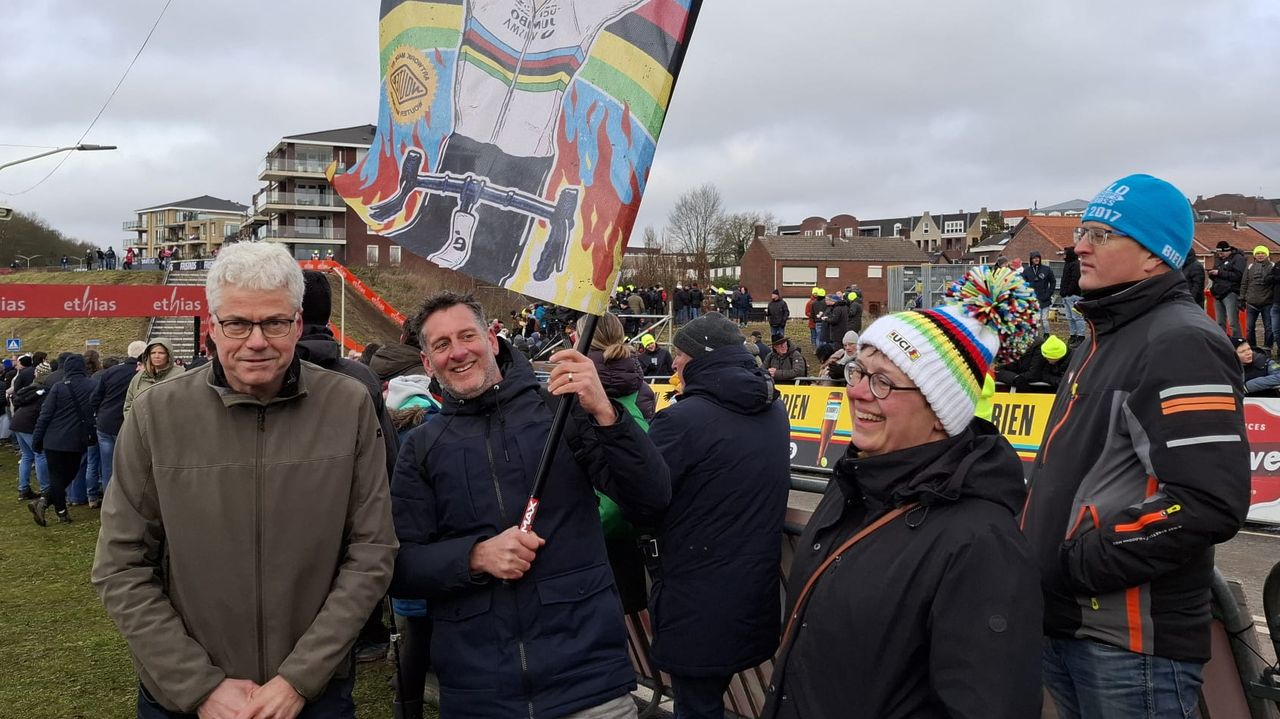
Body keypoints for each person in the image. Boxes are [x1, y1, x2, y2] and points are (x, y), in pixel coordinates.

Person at [92, 241, 397, 718]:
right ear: (212, 327)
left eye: (274, 322)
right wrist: (200, 687)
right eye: (237, 323)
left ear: (297, 324)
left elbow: (371, 552)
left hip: (313, 696)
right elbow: (120, 565)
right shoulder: (157, 413)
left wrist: (299, 679)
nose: (256, 340)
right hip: (183, 699)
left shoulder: (349, 406)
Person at [762, 265, 1043, 719]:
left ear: (940, 412)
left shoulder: (980, 543)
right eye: (858, 372)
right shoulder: (852, 485)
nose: (857, 394)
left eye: (884, 381)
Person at [1023, 174, 1250, 718]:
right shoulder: (1101, 338)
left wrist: (1078, 563)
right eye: (1083, 231)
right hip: (1069, 625)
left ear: (1154, 257)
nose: (1080, 246)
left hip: (1129, 643)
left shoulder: (1181, 342)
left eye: (1102, 235)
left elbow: (1207, 501)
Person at [388, 291, 670, 718]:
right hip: (479, 693)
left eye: (468, 336)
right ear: (428, 363)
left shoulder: (561, 412)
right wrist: (476, 557)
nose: (458, 352)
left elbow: (651, 500)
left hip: (588, 684)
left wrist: (607, 414)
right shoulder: (422, 448)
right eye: (442, 345)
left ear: (493, 340)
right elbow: (399, 567)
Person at [647, 312, 789, 718]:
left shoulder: (681, 420)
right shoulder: (773, 408)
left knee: (695, 707)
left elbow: (639, 500)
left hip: (696, 600)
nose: (673, 363)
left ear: (701, 360)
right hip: (752, 596)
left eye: (680, 354)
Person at [295, 270, 401, 664]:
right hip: (355, 510)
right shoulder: (361, 376)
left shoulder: (355, 378)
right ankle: (366, 632)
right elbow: (388, 454)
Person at [29, 353, 96, 525]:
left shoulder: (59, 387)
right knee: (69, 474)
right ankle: (59, 511)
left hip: (53, 439)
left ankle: (48, 505)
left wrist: (37, 438)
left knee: (57, 477)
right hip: (76, 439)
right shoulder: (92, 385)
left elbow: (45, 415)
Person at [89, 340, 145, 500]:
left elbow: (95, 398)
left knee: (108, 466)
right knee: (132, 465)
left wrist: (100, 413)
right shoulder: (143, 373)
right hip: (128, 424)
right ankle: (131, 500)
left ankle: (110, 500)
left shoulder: (110, 372)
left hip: (106, 423)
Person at [10, 356, 51, 500]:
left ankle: (23, 489)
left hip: (18, 422)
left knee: (27, 456)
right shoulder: (45, 391)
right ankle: (46, 489)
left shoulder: (30, 389)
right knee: (40, 454)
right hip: (28, 425)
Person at [123, 339, 184, 417]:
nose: (156, 356)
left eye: (161, 353)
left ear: (168, 355)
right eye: (153, 353)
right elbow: (128, 405)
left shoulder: (181, 374)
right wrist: (135, 424)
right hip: (142, 426)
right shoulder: (139, 377)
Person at [994, 335, 1071, 393]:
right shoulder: (1006, 350)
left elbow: (1035, 375)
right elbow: (998, 371)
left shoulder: (1039, 348)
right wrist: (1015, 378)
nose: (1047, 360)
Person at [1210, 239, 1246, 338]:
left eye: (1221, 253)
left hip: (1231, 293)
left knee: (1232, 322)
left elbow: (1239, 276)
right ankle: (1223, 343)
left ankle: (1237, 343)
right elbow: (1216, 274)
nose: (1220, 255)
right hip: (1218, 293)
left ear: (1227, 251)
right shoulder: (1219, 259)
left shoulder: (1238, 258)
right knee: (1219, 322)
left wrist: (1219, 273)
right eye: (1218, 253)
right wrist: (1212, 274)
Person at [1240, 245, 1274, 349]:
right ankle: (1252, 347)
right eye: (1258, 253)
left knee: (1269, 327)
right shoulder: (1250, 267)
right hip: (1251, 302)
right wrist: (1242, 298)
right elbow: (1244, 284)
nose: (1260, 255)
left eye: (1262, 253)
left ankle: (1267, 347)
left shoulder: (1273, 267)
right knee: (1249, 328)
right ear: (1254, 255)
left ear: (1267, 255)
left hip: (1267, 302)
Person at [1022, 250, 1057, 335]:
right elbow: (1022, 284)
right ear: (1031, 259)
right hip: (1033, 300)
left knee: (1044, 319)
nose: (1036, 259)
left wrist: (1049, 293)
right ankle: (1036, 336)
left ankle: (1046, 334)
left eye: (1038, 258)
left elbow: (1053, 281)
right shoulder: (1026, 271)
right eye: (1034, 258)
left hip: (1045, 298)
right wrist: (1027, 295)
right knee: (1035, 319)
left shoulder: (1046, 269)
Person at [1060, 247, 1085, 345]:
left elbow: (1075, 279)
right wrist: (1063, 292)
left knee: (1077, 317)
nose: (1064, 255)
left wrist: (1069, 292)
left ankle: (1081, 336)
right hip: (1066, 296)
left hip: (1074, 295)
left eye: (1065, 253)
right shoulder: (1067, 264)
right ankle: (1073, 335)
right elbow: (1064, 279)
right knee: (1069, 317)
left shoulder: (1076, 264)